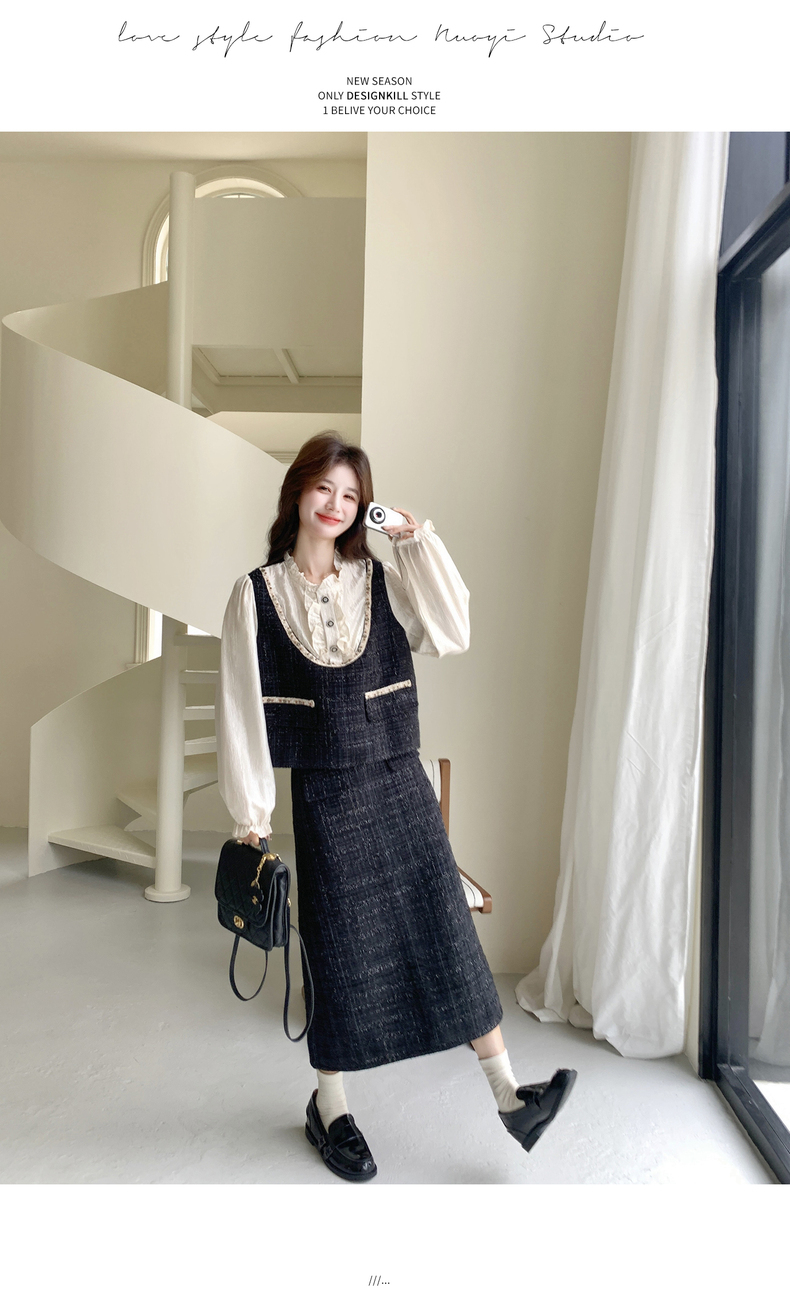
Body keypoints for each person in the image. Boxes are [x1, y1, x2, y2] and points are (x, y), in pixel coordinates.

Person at [216, 430, 575, 1181]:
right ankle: (330, 1107)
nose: (336, 504)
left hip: (399, 777)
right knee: (337, 952)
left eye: (351, 495)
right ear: (298, 490)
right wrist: (251, 818)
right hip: (323, 790)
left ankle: (511, 1097)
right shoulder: (254, 595)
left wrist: (415, 542)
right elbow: (240, 710)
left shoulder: (381, 579)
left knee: (445, 928)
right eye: (324, 487)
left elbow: (452, 631)